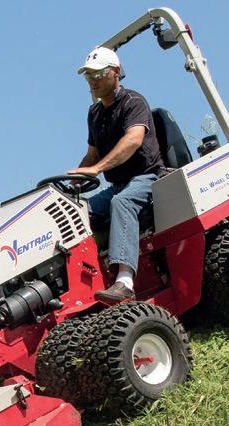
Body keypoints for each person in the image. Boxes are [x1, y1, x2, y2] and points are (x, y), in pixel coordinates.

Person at [68, 46, 163, 303]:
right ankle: (82, 285)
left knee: (121, 202)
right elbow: (92, 155)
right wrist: (73, 181)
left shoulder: (134, 102)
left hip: (147, 178)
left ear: (116, 72)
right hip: (118, 184)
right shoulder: (95, 113)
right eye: (89, 76)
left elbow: (133, 140)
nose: (93, 81)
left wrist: (97, 169)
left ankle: (124, 281)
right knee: (78, 213)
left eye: (98, 75)